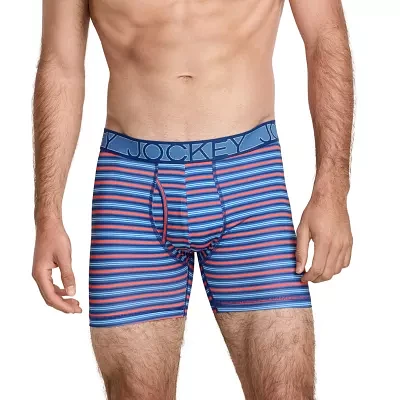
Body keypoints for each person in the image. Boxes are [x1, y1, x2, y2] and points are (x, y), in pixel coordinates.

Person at [32, 0, 353, 398]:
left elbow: (325, 37)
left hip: (251, 184)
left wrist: (332, 191)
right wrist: (47, 214)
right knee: (135, 392)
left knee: (285, 388)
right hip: (131, 190)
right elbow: (60, 65)